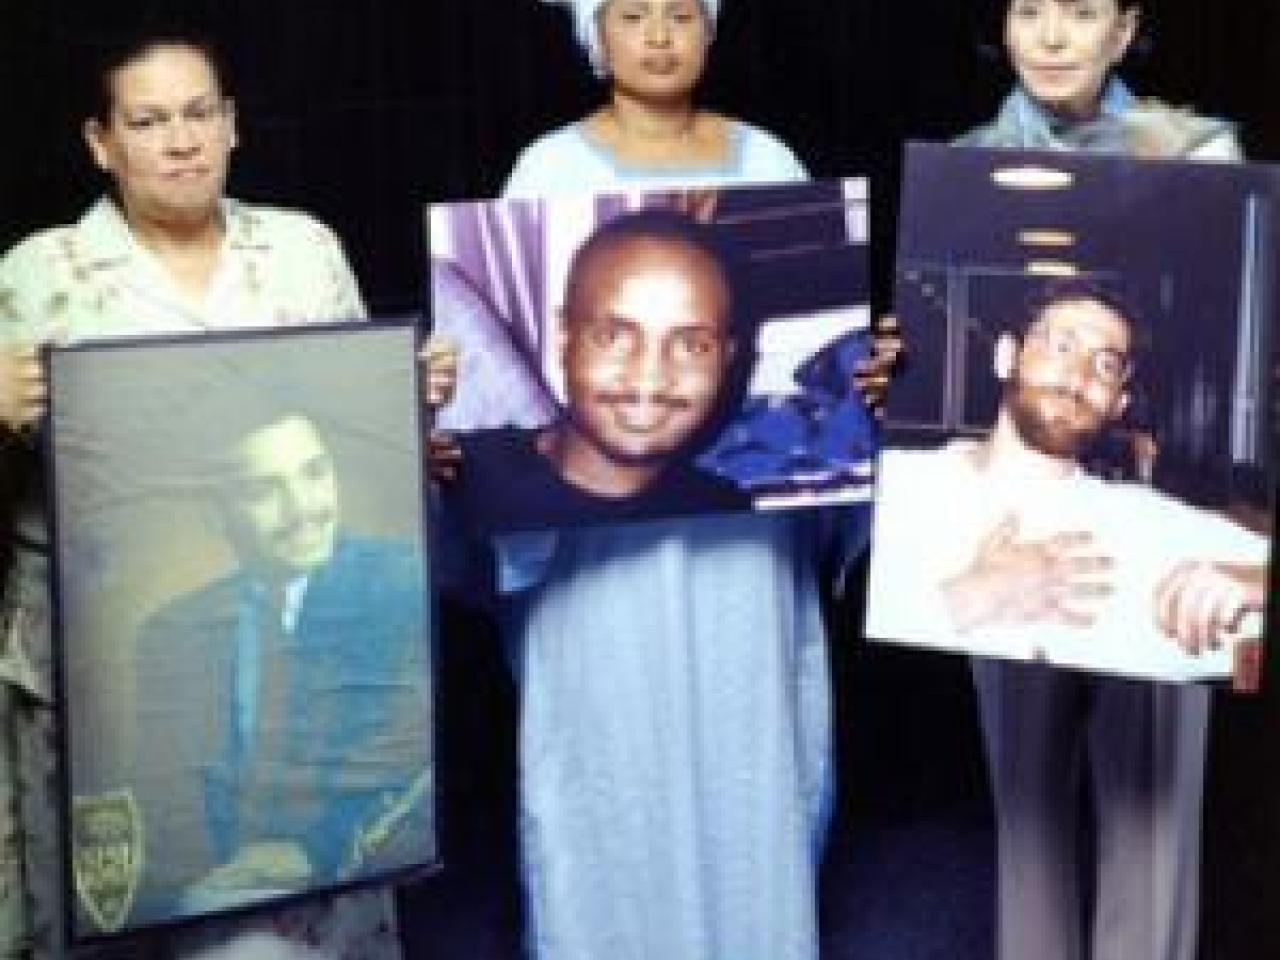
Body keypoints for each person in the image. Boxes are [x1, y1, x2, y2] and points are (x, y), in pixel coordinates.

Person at [449, 1, 887, 957]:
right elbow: (506, 399)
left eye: (680, 12)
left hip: (745, 556)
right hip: (593, 570)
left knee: (749, 764)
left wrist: (861, 387)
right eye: (631, 13)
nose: (657, 35)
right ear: (591, 36)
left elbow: (810, 384)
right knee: (603, 777)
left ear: (712, 28)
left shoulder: (770, 162)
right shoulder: (547, 171)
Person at [0, 31, 399, 960]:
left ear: (230, 126)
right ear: (103, 143)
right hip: (98, 667)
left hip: (306, 662)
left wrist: (407, 404)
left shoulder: (304, 252)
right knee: (112, 912)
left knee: (305, 911)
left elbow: (363, 454)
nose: (180, 141)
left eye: (197, 114)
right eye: (148, 120)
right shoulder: (34, 275)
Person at [947, 2, 1248, 958]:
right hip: (1004, 520)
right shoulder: (964, 162)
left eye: (1080, 12)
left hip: (1159, 518)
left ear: (1125, 31)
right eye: (1029, 10)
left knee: (1153, 809)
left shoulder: (1202, 155)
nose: (1051, 36)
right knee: (1026, 812)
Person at [868, 281, 1268, 679]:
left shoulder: (1147, 528)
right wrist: (969, 599)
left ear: (1118, 404)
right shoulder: (894, 486)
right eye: (1062, 347)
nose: (1078, 378)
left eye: (1105, 365)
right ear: (1007, 357)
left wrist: (1256, 585)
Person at [129, 411, 429, 925]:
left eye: (314, 473)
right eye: (264, 490)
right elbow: (167, 799)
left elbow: (419, 762)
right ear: (216, 514)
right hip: (224, 896)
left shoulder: (401, 581)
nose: (302, 509)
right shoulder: (173, 631)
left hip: (355, 878)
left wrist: (314, 851)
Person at [454, 208, 752, 533]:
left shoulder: (724, 513)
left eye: (692, 345)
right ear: (564, 339)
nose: (649, 377)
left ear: (725, 360)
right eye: (612, 337)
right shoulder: (453, 486)